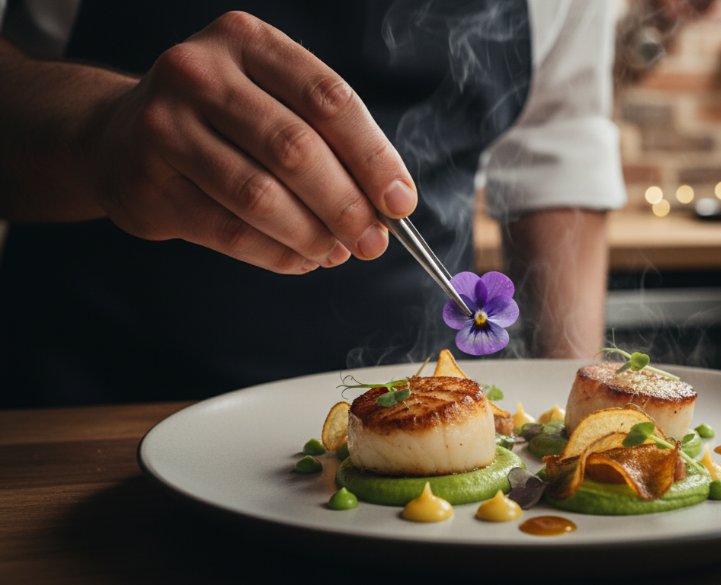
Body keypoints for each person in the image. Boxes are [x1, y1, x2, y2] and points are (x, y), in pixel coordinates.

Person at [0, 0, 625, 407]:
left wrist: (579, 424)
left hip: (428, 409)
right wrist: (101, 130)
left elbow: (556, 151)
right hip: (90, 411)